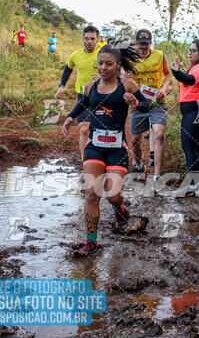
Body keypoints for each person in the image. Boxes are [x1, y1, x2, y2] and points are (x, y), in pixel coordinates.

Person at [62, 42, 149, 255]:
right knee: (92, 193)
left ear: (118, 65)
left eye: (108, 64)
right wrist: (70, 117)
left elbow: (146, 106)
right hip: (95, 147)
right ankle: (91, 242)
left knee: (112, 195)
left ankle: (120, 208)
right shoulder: (90, 87)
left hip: (117, 149)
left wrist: (135, 102)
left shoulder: (127, 85)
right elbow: (83, 103)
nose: (103, 67)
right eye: (100, 63)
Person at [171, 39, 199, 196]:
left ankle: (193, 184)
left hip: (196, 109)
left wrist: (176, 73)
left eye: (193, 50)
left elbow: (191, 79)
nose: (190, 52)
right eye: (189, 50)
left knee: (189, 146)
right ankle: (198, 181)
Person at [55, 24, 106, 158]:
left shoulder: (104, 54)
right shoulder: (76, 55)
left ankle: (101, 159)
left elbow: (116, 71)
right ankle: (86, 163)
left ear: (97, 39)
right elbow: (68, 68)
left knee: (101, 130)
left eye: (92, 39)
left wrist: (102, 77)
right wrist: (61, 86)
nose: (89, 41)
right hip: (84, 96)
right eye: (86, 38)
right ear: (83, 39)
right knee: (84, 129)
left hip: (103, 96)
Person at [129, 29, 171, 192]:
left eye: (146, 44)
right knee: (135, 140)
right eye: (141, 44)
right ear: (136, 43)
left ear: (150, 43)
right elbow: (123, 77)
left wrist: (164, 87)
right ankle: (138, 163)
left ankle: (157, 177)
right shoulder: (130, 59)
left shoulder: (160, 55)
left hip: (157, 103)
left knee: (159, 134)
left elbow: (167, 74)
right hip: (138, 105)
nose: (143, 47)